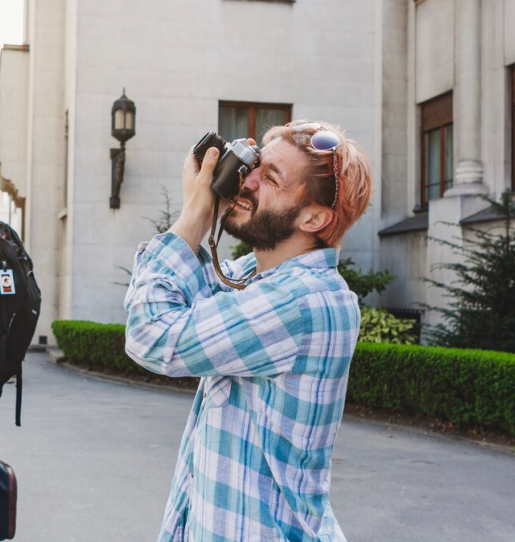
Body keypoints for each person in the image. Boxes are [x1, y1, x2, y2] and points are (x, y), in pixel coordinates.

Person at [124, 121, 372, 542]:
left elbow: (152, 336)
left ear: (313, 216)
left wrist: (196, 214)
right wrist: (211, 207)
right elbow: (168, 296)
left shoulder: (301, 302)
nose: (248, 180)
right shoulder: (248, 278)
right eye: (252, 165)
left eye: (269, 177)